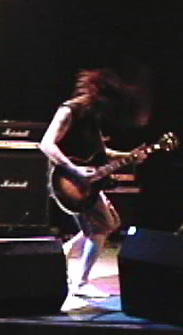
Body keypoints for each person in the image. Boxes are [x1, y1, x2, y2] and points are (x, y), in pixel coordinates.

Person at [40, 68, 151, 298]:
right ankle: (80, 283)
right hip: (68, 180)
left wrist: (129, 156)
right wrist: (74, 170)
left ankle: (62, 253)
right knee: (100, 227)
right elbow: (46, 144)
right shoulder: (69, 110)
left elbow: (101, 152)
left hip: (85, 181)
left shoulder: (92, 116)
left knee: (109, 223)